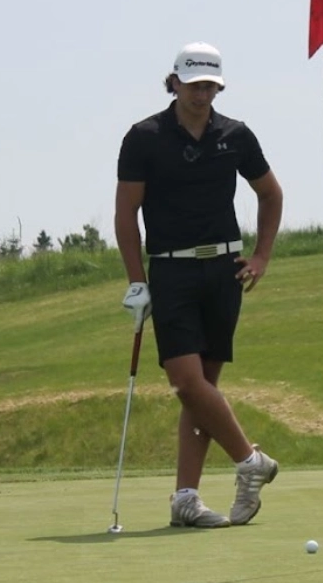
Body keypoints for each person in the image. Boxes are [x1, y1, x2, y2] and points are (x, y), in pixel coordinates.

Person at [114, 42, 285, 529]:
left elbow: (270, 194)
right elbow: (126, 215)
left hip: (224, 271)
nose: (201, 93)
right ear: (174, 82)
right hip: (171, 271)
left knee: (202, 389)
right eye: (193, 85)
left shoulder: (236, 135)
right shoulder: (144, 137)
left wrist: (261, 256)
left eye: (210, 85)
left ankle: (186, 498)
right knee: (185, 381)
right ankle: (250, 461)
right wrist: (136, 281)